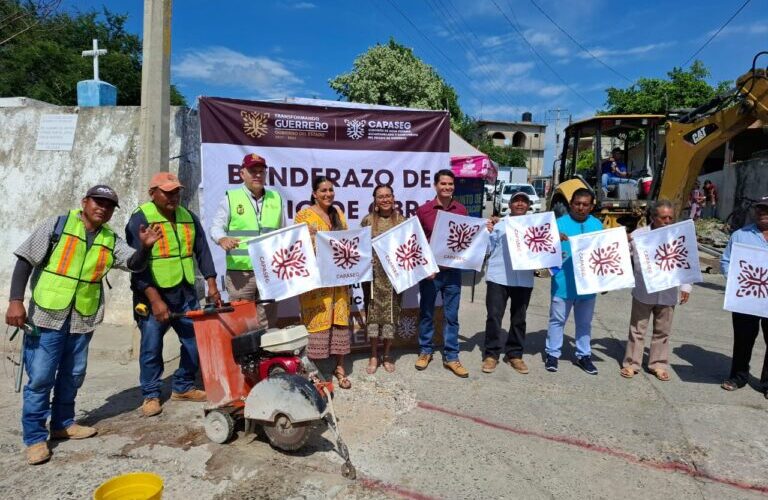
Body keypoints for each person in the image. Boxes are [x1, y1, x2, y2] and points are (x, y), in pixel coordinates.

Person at [5, 185, 161, 465]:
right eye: (98, 202)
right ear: (85, 202)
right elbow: (25, 259)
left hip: (82, 317)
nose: (102, 208)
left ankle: (63, 423)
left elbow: (134, 264)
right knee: (41, 377)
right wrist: (16, 300)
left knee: (73, 373)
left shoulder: (110, 239)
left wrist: (145, 249)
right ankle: (35, 438)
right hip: (46, 313)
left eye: (109, 205)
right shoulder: (57, 225)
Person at [126, 172, 221, 418]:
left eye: (176, 191)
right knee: (151, 346)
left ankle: (183, 386)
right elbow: (137, 266)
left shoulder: (188, 217)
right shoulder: (140, 219)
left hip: (184, 291)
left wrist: (212, 285)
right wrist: (156, 301)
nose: (174, 196)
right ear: (153, 193)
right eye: (167, 192)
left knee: (194, 342)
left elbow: (202, 251)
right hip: (152, 294)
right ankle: (151, 394)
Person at [210, 153, 284, 329]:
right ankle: (245, 357)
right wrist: (222, 238)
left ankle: (266, 355)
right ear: (242, 174)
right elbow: (215, 227)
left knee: (268, 322)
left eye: (261, 171)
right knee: (242, 321)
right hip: (241, 274)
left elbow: (282, 234)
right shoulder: (231, 198)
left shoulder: (276, 198)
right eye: (253, 171)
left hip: (269, 272)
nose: (257, 175)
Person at [621, 200, 692, 381]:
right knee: (637, 329)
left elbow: (687, 261)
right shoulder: (638, 235)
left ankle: (658, 364)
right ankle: (631, 364)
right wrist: (622, 239)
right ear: (653, 218)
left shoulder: (679, 236)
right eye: (663, 217)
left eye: (670, 217)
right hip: (643, 292)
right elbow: (620, 254)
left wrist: (686, 286)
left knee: (663, 331)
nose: (668, 221)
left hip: (668, 292)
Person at [295, 176, 353, 389]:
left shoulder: (338, 213)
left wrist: (321, 235)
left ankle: (340, 368)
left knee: (340, 321)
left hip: (339, 281)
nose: (328, 194)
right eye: (323, 191)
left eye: (330, 190)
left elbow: (346, 242)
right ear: (314, 194)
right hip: (317, 283)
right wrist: (317, 237)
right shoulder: (304, 215)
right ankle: (316, 373)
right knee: (318, 323)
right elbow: (299, 247)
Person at [414, 169, 469, 378]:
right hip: (431, 273)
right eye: (443, 184)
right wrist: (425, 267)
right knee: (427, 313)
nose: (447, 187)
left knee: (451, 316)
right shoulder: (424, 211)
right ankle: (425, 351)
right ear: (436, 186)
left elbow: (467, 238)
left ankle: (452, 356)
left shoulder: (461, 210)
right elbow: (416, 241)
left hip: (453, 272)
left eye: (450, 184)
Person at [545, 188, 604, 375]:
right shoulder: (557, 224)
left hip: (588, 286)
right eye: (577, 204)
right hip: (563, 283)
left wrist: (606, 281)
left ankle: (584, 355)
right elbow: (544, 251)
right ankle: (552, 354)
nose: (581, 208)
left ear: (591, 206)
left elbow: (604, 254)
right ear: (571, 204)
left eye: (585, 204)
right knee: (557, 320)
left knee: (584, 323)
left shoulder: (597, 225)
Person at [719, 196, 768, 399]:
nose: (762, 213)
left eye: (766, 209)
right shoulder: (740, 236)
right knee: (743, 339)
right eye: (759, 209)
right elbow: (725, 262)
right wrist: (737, 282)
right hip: (746, 298)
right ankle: (738, 376)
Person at [481, 191, 535, 374]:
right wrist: (486, 232)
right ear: (509, 205)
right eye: (516, 201)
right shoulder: (499, 225)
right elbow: (487, 249)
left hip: (523, 278)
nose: (520, 204)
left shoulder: (536, 226)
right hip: (499, 277)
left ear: (529, 206)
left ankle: (515, 354)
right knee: (494, 317)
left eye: (524, 202)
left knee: (519, 318)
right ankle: (491, 354)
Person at [360, 185, 405, 374]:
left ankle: (386, 354)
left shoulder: (402, 221)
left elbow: (409, 247)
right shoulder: (367, 221)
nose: (385, 199)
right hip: (373, 278)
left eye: (388, 196)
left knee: (391, 317)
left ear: (393, 198)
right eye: (381, 197)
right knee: (373, 317)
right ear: (375, 200)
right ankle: (373, 354)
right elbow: (359, 248)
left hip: (394, 279)